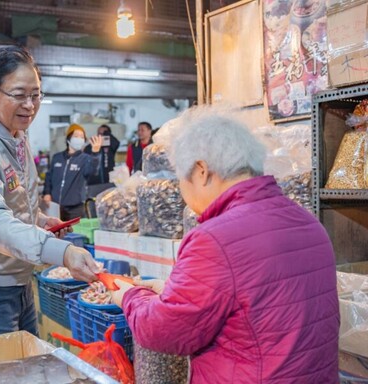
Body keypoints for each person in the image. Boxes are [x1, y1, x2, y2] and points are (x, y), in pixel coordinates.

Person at [111, 107, 339, 383]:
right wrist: (168, 292)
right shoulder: (308, 222)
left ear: (201, 170)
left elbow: (165, 331)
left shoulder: (214, 238)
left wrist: (130, 297)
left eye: (181, 181)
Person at [0, 45, 99, 341]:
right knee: (1, 372)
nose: (30, 105)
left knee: (26, 365)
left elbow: (13, 200)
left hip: (18, 274)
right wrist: (61, 252)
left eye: (36, 94)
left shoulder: (15, 133)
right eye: (19, 94)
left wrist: (38, 220)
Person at [43, 124, 102, 220]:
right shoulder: (57, 157)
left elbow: (92, 172)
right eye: (76, 136)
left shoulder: (85, 158)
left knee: (74, 234)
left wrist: (95, 154)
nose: (79, 139)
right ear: (68, 138)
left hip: (76, 208)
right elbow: (49, 176)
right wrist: (47, 193)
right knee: (55, 233)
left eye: (82, 137)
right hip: (55, 206)